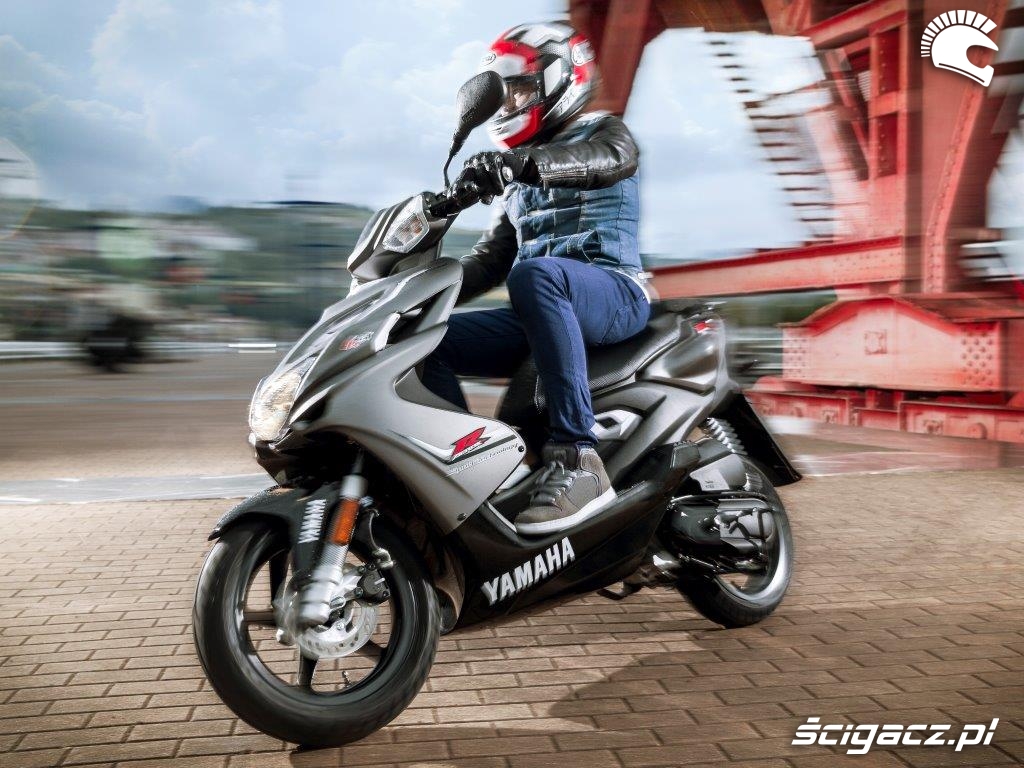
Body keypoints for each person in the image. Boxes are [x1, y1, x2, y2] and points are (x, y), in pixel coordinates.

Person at [422, 22, 650, 535]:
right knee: (424, 339)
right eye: (502, 98)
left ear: (560, 79)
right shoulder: (515, 181)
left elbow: (607, 162)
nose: (509, 106)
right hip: (541, 307)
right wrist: (413, 291)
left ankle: (579, 458)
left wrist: (520, 163)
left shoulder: (604, 133)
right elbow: (489, 261)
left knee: (534, 274)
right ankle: (471, 470)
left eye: (520, 91)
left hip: (614, 293)